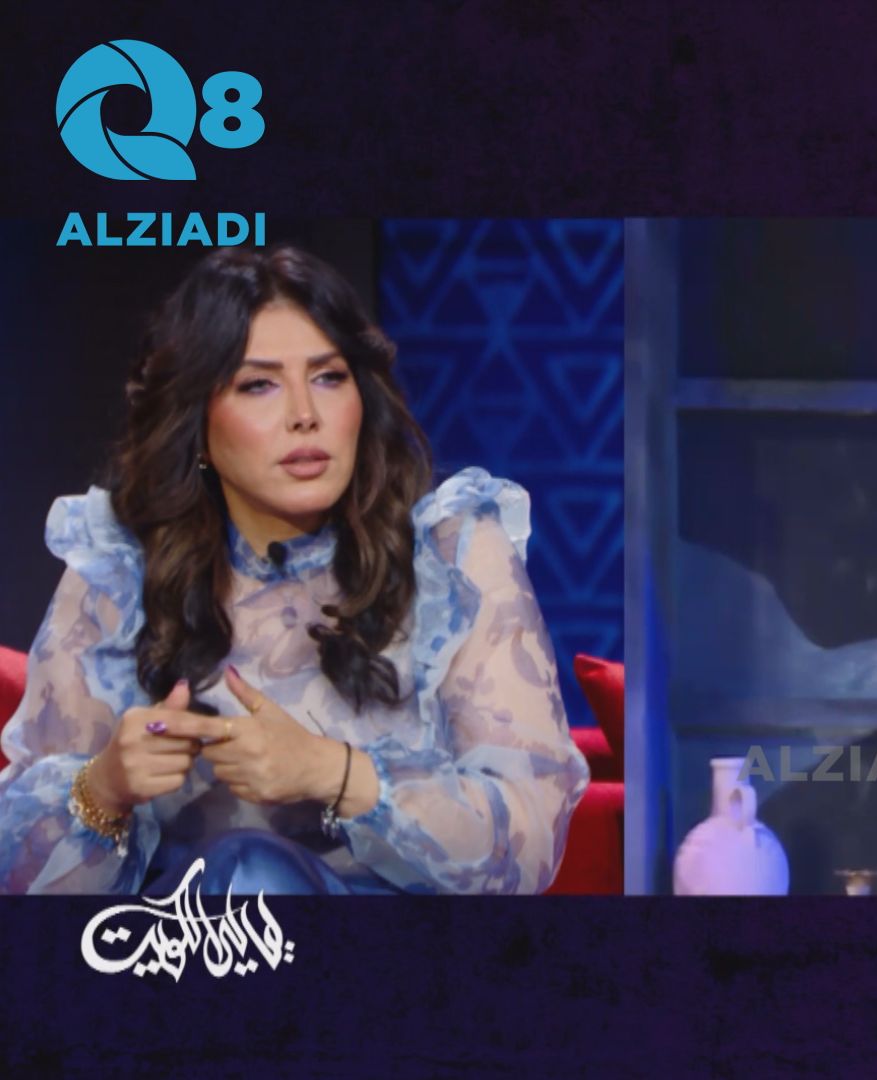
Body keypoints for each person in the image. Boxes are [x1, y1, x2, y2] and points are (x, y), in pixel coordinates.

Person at [0, 245, 589, 895]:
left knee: (255, 877)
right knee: (241, 874)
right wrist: (105, 788)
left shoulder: (453, 556)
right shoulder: (118, 571)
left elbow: (528, 848)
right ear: (197, 420)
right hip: (183, 941)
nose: (305, 414)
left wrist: (333, 774)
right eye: (259, 385)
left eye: (329, 377)